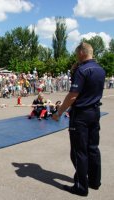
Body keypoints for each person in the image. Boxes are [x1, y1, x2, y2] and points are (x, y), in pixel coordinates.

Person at [52, 42, 106, 196]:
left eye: (77, 53)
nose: (75, 56)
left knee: (79, 152)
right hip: (94, 112)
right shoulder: (100, 69)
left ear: (82, 52)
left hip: (81, 114)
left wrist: (59, 112)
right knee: (93, 148)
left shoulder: (82, 70)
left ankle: (81, 187)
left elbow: (73, 95)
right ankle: (95, 181)